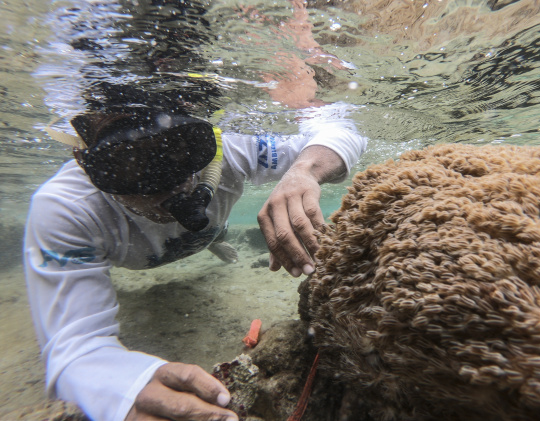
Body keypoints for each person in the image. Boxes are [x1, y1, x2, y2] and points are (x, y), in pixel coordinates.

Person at [24, 1, 366, 420]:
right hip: (182, 238)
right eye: (129, 163)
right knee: (203, 225)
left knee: (207, 228)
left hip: (204, 231)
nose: (172, 183)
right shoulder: (64, 210)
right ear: (85, 163)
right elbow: (73, 347)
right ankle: (213, 236)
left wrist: (304, 171)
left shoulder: (231, 151)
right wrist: (119, 386)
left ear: (208, 138)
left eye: (185, 148)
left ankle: (215, 239)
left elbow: (339, 129)